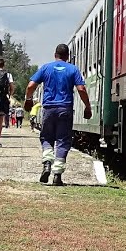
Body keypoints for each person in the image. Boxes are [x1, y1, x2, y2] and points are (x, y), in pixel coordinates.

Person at [24, 43, 92, 186]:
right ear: (67, 56)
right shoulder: (73, 69)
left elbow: (30, 86)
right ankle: (57, 176)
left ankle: (47, 164)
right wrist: (87, 106)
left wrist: (28, 100)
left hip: (48, 109)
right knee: (63, 141)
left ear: (55, 55)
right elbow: (81, 90)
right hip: (65, 109)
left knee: (47, 138)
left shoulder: (46, 68)